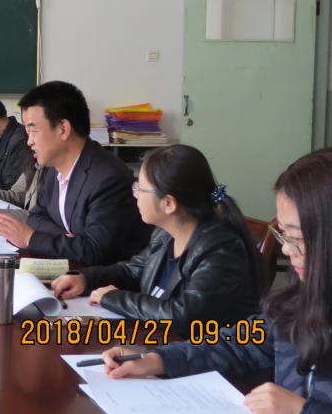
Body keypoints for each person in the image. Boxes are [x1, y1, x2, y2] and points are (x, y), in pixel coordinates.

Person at [101, 148, 332, 414]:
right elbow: (241, 343)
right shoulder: (301, 299)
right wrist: (158, 359)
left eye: (297, 238)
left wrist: (302, 410)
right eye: (284, 235)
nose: (286, 249)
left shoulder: (220, 245)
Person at [50, 144, 261, 337]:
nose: (135, 194)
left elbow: (183, 315)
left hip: (199, 356)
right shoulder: (165, 234)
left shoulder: (222, 250)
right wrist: (85, 279)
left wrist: (113, 298)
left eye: (140, 188)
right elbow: (132, 271)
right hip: (155, 342)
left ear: (168, 203)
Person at [0, 81, 151, 265]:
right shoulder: (52, 168)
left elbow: (95, 250)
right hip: (69, 269)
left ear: (63, 129)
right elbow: (36, 217)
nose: (29, 142)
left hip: (104, 278)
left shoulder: (108, 177)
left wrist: (31, 238)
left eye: (33, 131)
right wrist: (68, 239)